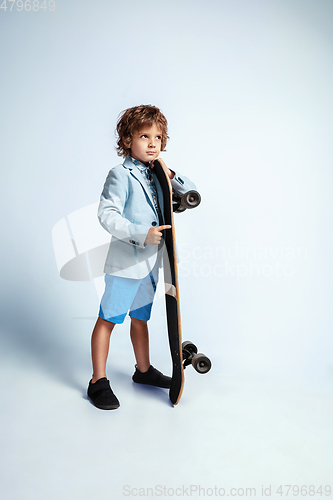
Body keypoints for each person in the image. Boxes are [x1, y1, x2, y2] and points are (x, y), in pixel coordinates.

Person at [87, 105, 196, 410]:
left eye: (158, 137)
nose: (152, 143)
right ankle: (98, 380)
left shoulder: (158, 173)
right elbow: (106, 214)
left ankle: (143, 371)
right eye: (144, 136)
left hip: (151, 266)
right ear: (127, 140)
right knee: (108, 320)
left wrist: (170, 173)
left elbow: (191, 192)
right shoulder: (120, 175)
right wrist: (140, 233)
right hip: (125, 264)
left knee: (140, 319)